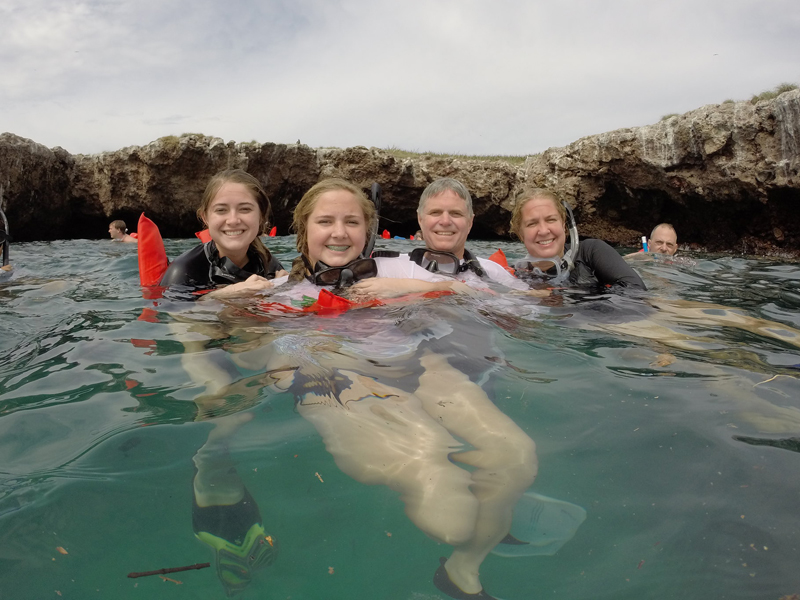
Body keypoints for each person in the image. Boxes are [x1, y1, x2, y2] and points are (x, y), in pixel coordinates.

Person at [262, 178, 538, 600]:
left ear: (368, 230)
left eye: (351, 221)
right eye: (326, 221)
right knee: (450, 511)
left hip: (418, 363)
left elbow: (476, 289)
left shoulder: (398, 269)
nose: (339, 232)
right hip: (336, 373)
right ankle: (474, 533)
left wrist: (427, 287)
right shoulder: (284, 292)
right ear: (303, 230)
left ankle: (465, 565)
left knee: (515, 455)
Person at [159, 169, 286, 298]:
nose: (233, 220)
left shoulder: (270, 266)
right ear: (205, 218)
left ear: (261, 216)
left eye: (245, 209)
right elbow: (171, 315)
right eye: (221, 210)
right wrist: (220, 296)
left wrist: (286, 291)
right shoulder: (183, 270)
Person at [510, 188, 646, 290]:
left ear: (564, 225)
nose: (544, 231)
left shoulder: (590, 252)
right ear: (521, 234)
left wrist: (558, 296)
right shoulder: (514, 275)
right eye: (532, 224)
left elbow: (636, 290)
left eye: (551, 220)